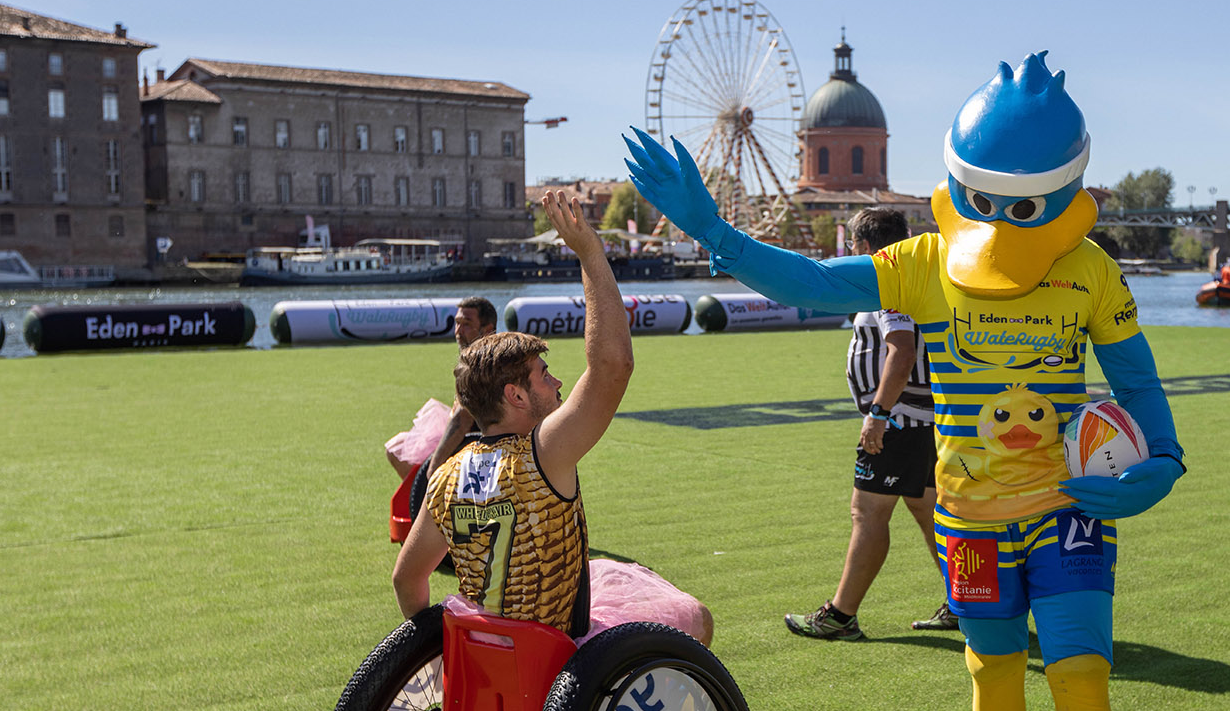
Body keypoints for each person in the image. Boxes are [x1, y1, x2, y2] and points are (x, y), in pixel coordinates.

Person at [626, 49, 1187, 711]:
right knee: (991, 667)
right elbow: (808, 283)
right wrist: (715, 231)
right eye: (988, 199)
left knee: (1080, 673)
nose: (1002, 222)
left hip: (1066, 512)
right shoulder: (923, 262)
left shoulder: (1090, 274)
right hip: (967, 519)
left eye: (1025, 204)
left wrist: (1162, 459)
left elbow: (1139, 382)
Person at [392, 191, 712, 646]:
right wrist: (589, 252)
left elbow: (406, 580)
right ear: (515, 395)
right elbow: (613, 366)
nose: (558, 382)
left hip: (486, 656)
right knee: (695, 618)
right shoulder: (543, 452)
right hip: (557, 660)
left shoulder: (444, 477)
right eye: (544, 376)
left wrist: (431, 650)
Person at [785, 206, 956, 640]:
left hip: (899, 422)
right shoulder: (913, 274)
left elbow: (901, 351)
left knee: (868, 513)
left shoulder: (889, 281)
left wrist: (878, 414)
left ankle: (840, 616)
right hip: (921, 420)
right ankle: (965, 604)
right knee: (927, 511)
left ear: (862, 247)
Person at [383, 296, 499, 479]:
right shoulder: (480, 357)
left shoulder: (481, 365)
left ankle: (426, 501)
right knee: (397, 446)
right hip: (472, 437)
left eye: (467, 324)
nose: (459, 331)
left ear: (487, 330)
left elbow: (462, 419)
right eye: (457, 323)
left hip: (479, 445)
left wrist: (432, 470)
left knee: (400, 453)